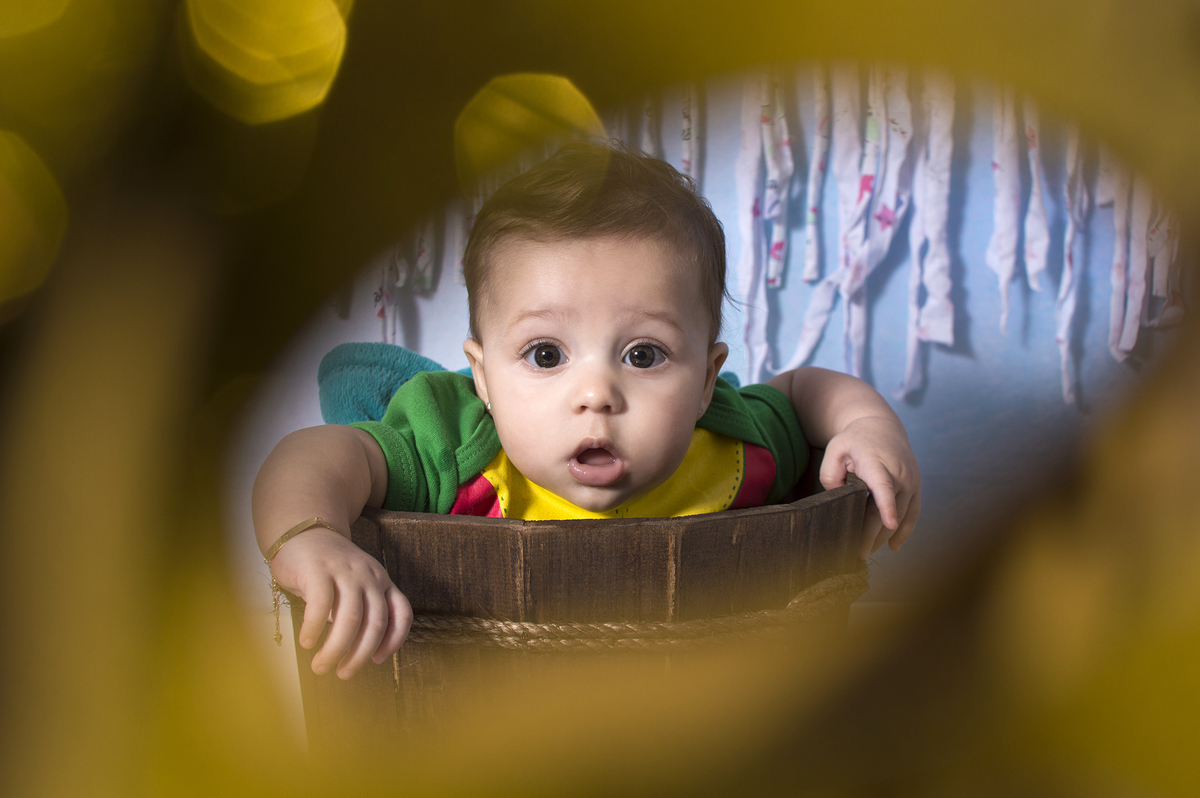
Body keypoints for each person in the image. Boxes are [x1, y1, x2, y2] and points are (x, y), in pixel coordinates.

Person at [252, 142, 921, 680]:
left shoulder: (735, 445)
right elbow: (315, 454)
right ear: (483, 378)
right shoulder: (452, 444)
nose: (596, 393)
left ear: (706, 382)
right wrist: (307, 534)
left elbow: (802, 388)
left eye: (643, 355)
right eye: (546, 355)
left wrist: (866, 426)